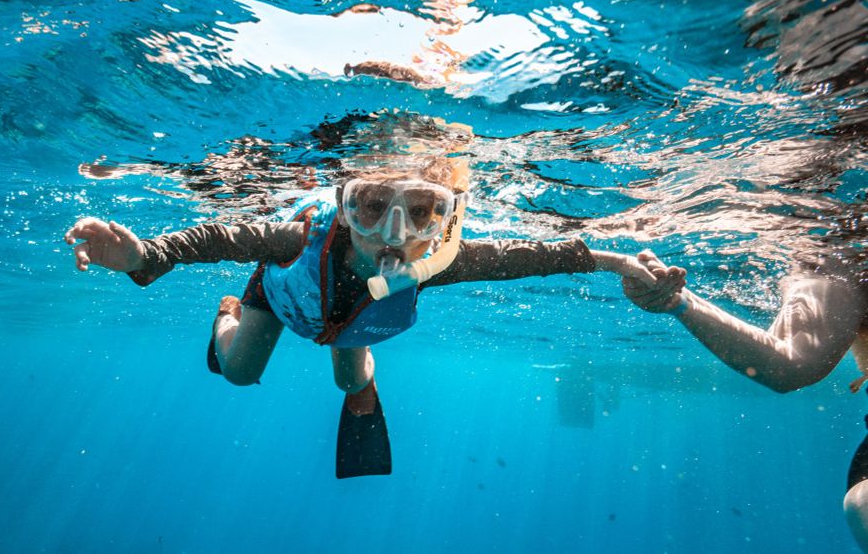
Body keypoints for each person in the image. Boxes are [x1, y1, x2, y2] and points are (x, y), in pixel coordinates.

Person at [65, 156, 670, 478]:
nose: (394, 234)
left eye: (421, 214)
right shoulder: (294, 239)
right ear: (345, 207)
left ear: (444, 219)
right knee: (239, 371)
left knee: (351, 380)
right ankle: (225, 316)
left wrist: (618, 261)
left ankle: (360, 382)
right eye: (373, 207)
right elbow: (217, 236)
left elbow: (531, 256)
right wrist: (144, 256)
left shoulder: (437, 263)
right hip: (284, 300)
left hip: (346, 323)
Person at [621, 249, 868, 551]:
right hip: (843, 260)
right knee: (794, 365)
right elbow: (787, 367)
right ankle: (677, 301)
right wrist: (674, 300)